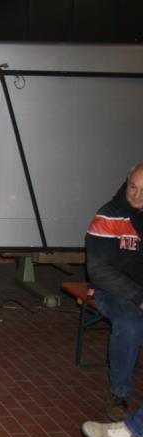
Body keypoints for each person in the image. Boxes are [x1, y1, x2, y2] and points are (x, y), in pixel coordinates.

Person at [85, 163, 143, 422]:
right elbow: (99, 271)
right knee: (130, 325)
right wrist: (139, 298)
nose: (137, 196)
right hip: (112, 291)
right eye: (133, 187)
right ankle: (119, 394)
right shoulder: (108, 216)